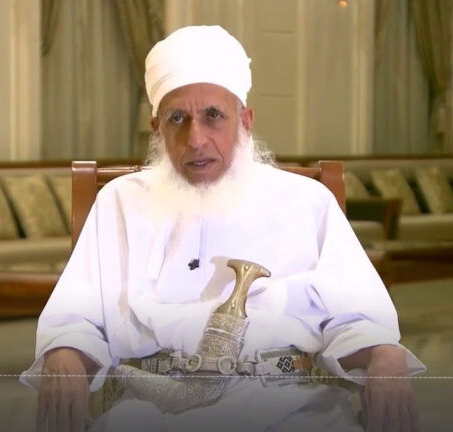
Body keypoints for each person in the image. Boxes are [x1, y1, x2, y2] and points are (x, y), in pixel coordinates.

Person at [22, 25, 425, 432]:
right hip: (149, 409)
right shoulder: (120, 202)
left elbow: (358, 318)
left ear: (245, 121)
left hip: (291, 406)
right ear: (157, 127)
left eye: (213, 116)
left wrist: (385, 356)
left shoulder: (307, 202)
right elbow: (76, 317)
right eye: (177, 118)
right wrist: (64, 353)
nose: (196, 138)